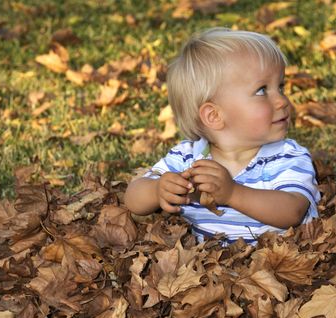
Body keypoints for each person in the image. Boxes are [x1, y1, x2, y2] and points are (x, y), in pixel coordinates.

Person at [124, 27, 320, 244]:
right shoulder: (188, 157)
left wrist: (232, 194)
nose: (282, 100)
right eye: (262, 90)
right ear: (214, 115)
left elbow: (292, 211)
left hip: (277, 262)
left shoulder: (287, 156)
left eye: (280, 87)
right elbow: (133, 199)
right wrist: (158, 189)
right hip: (209, 270)